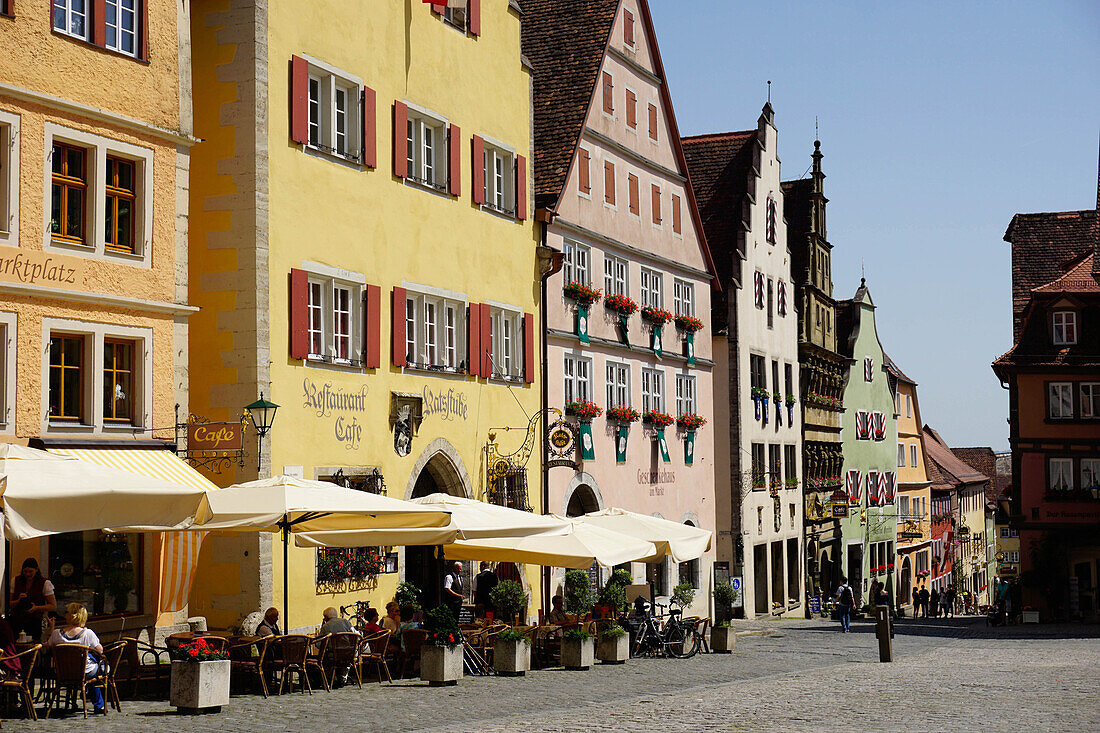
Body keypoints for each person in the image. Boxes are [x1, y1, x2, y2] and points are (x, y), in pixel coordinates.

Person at [48, 603, 105, 714]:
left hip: (63, 672)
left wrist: (51, 629)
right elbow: (100, 650)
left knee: (90, 663)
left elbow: (48, 645)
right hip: (83, 671)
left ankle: (87, 693)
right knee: (97, 669)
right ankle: (98, 704)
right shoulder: (88, 633)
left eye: (67, 612)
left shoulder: (56, 634)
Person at [9, 558, 57, 639]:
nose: (27, 574)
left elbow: (53, 606)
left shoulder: (45, 583)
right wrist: (18, 601)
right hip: (17, 621)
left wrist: (36, 608)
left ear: (36, 569)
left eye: (30, 571)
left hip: (35, 622)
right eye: (25, 571)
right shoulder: (15, 581)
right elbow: (8, 604)